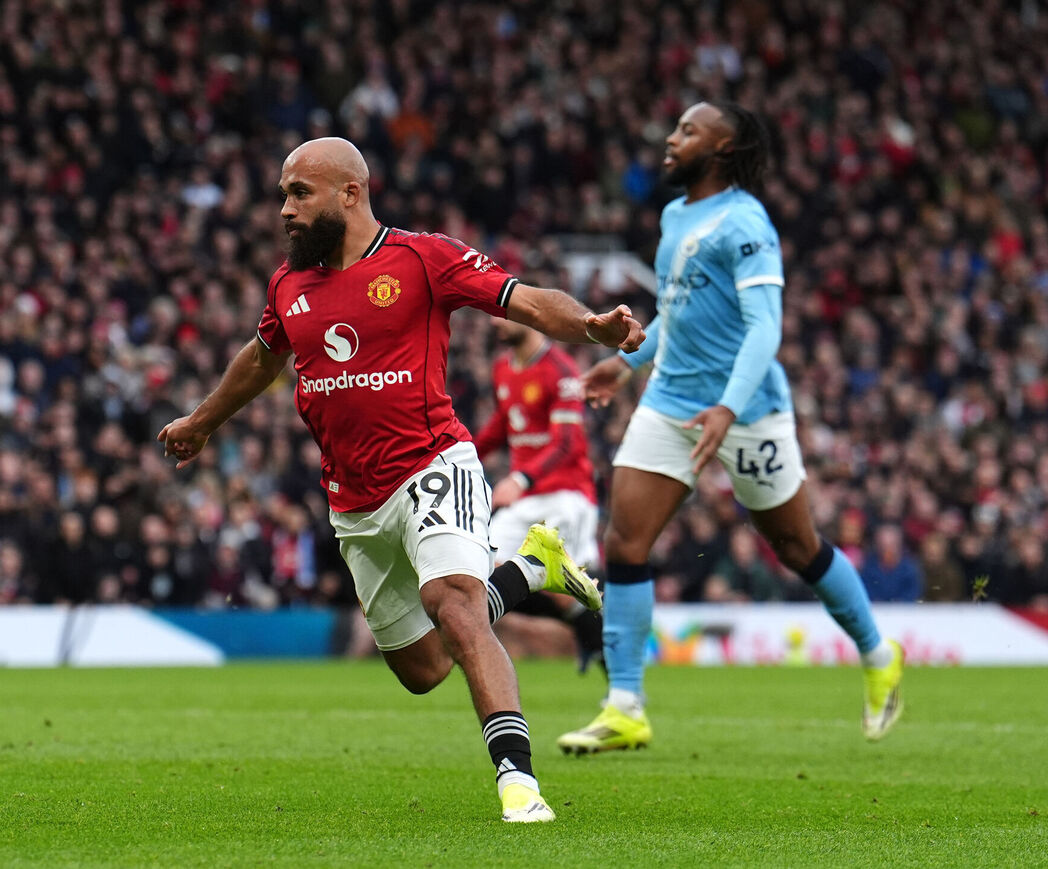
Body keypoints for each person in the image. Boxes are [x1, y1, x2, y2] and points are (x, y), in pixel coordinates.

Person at [159, 137, 645, 822]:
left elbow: (525, 301)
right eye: (282, 196)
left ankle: (519, 783)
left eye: (299, 193)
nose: (284, 210)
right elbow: (262, 359)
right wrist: (204, 421)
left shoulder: (422, 258)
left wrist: (590, 326)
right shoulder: (288, 285)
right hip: (354, 503)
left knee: (454, 602)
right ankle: (532, 567)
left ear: (350, 193)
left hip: (433, 464)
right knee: (424, 668)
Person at [557, 103, 904, 756]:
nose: (670, 136)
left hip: (746, 409)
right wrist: (624, 364)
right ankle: (625, 703)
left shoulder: (746, 222)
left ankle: (879, 652)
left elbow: (764, 325)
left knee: (798, 547)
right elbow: (677, 310)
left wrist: (727, 406)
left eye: (687, 130)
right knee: (626, 541)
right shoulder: (674, 215)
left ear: (723, 147)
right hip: (670, 401)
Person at [474, 319, 605, 672]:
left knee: (573, 582)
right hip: (525, 499)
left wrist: (521, 477)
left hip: (566, 494)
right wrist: (460, 457)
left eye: (501, 314)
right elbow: (502, 425)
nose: (494, 322)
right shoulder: (503, 367)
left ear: (527, 318)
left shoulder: (561, 370)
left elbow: (565, 441)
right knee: (483, 564)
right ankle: (590, 630)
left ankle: (617, 675)